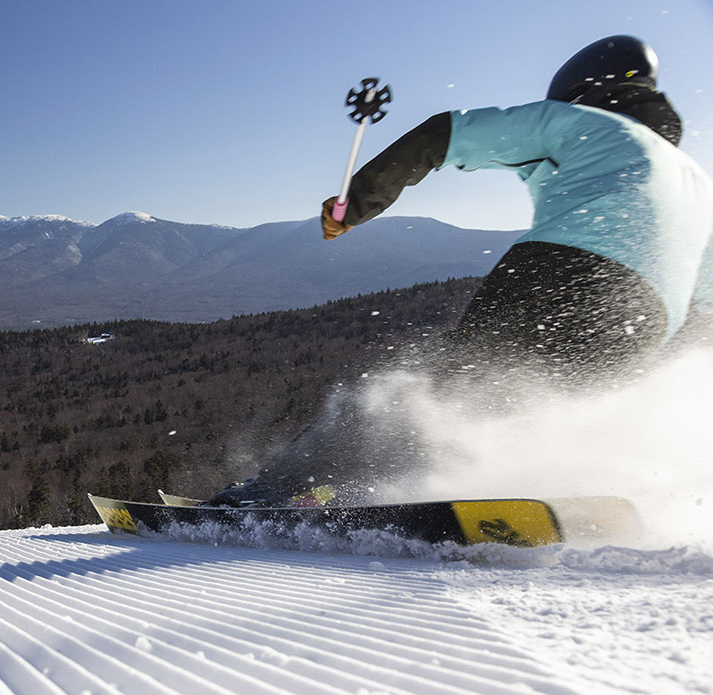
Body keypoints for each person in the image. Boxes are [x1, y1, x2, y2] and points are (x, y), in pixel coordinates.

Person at [207, 35, 713, 508]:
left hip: (568, 272)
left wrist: (355, 204)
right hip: (648, 320)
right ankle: (482, 486)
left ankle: (276, 493)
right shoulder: (699, 183)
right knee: (535, 409)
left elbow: (445, 134)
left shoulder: (581, 123)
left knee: (438, 392)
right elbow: (708, 300)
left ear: (580, 91)